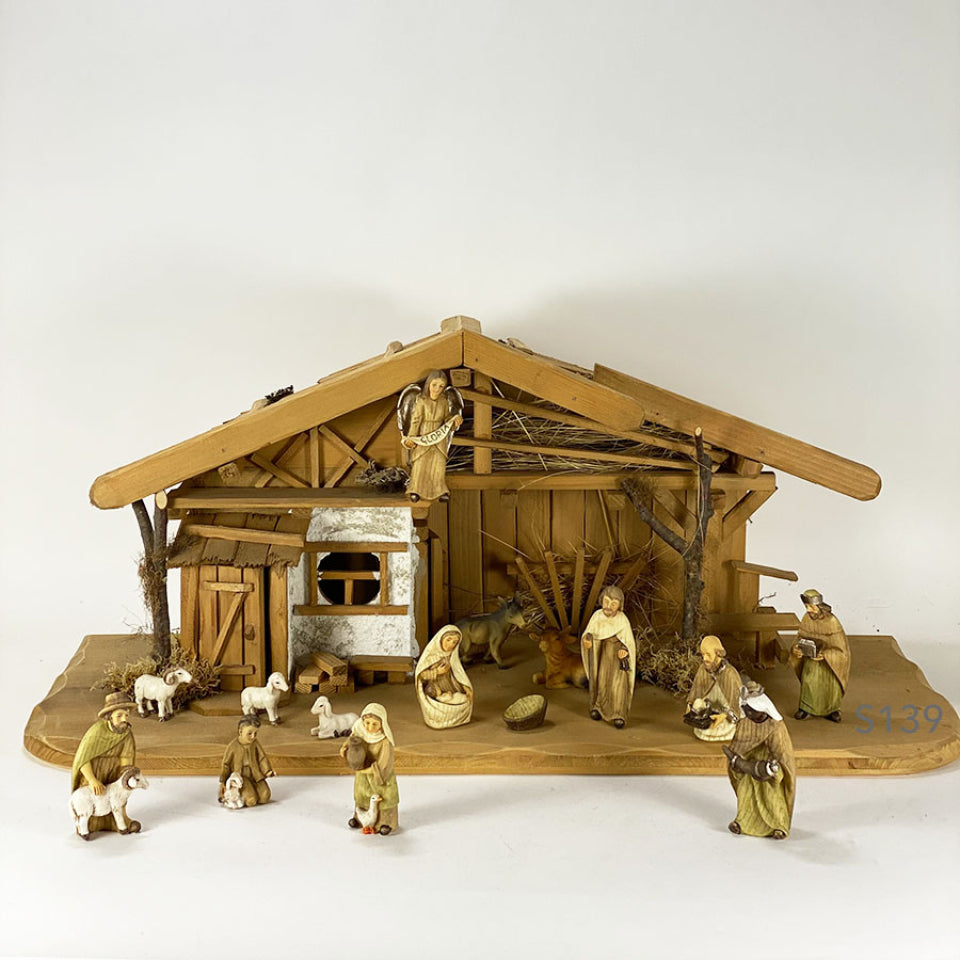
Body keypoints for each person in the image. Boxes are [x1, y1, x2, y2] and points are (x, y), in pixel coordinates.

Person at [725, 680, 796, 840]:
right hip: (747, 766)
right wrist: (739, 763)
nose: (749, 714)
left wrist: (771, 769)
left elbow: (781, 754)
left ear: (762, 708)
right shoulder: (745, 723)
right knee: (746, 794)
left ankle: (778, 826)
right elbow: (738, 746)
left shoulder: (775, 726)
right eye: (746, 710)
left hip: (767, 769)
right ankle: (742, 823)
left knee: (772, 797)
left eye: (752, 710)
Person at [71, 691, 140, 835]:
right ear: (110, 716)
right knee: (94, 798)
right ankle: (88, 825)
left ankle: (119, 822)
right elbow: (83, 759)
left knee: (117, 797)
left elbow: (126, 758)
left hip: (114, 774)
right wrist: (92, 780)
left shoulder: (126, 734)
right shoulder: (96, 732)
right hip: (94, 773)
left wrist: (124, 780)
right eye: (119, 715)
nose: (124, 719)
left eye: (126, 715)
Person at [400, 369, 463, 502]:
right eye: (434, 385)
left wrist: (454, 421)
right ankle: (415, 490)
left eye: (441, 386)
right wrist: (411, 437)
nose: (437, 389)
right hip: (424, 435)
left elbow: (446, 418)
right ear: (428, 384)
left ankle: (440, 491)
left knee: (438, 465)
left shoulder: (444, 401)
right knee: (420, 463)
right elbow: (416, 420)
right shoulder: (421, 401)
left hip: (439, 437)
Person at [790, 588, 850, 722]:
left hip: (829, 663)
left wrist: (827, 654)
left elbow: (841, 648)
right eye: (806, 606)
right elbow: (799, 638)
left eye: (811, 607)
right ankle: (806, 708)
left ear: (819, 606)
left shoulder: (832, 621)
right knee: (809, 681)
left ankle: (832, 710)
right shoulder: (807, 618)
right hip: (811, 660)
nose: (808, 610)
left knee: (831, 685)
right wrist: (796, 649)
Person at [580, 585, 636, 728]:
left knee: (618, 685)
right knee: (602, 681)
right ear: (601, 601)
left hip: (617, 658)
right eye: (606, 601)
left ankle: (618, 714)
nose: (609, 606)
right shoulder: (597, 617)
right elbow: (590, 633)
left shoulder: (622, 620)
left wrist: (624, 650)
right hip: (603, 656)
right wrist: (587, 639)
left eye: (613, 604)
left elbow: (628, 642)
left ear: (619, 605)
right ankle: (598, 707)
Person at [340, 703, 399, 835]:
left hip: (379, 777)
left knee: (384, 798)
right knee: (362, 795)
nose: (370, 727)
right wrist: (345, 747)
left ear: (382, 725)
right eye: (367, 723)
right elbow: (351, 740)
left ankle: (385, 822)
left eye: (374, 724)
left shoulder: (384, 742)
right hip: (363, 775)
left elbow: (385, 763)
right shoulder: (361, 734)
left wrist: (369, 771)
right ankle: (359, 819)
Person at [415, 625, 474, 728]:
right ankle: (439, 712)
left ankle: (452, 715)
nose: (451, 644)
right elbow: (421, 676)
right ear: (440, 640)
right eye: (448, 640)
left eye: (455, 642)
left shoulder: (452, 657)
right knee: (436, 699)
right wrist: (437, 671)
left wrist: (466, 687)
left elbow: (458, 674)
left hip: (450, 684)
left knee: (465, 699)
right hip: (435, 685)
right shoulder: (430, 656)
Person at [684, 635, 741, 741]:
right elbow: (697, 690)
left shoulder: (730, 674)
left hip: (725, 714)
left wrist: (724, 715)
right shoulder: (703, 669)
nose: (705, 659)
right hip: (708, 711)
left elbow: (736, 702)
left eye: (708, 655)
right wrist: (691, 705)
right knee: (698, 705)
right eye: (703, 654)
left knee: (722, 728)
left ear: (718, 654)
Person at [219, 716, 276, 807]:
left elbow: (262, 758)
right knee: (251, 800)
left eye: (255, 733)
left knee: (264, 797)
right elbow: (226, 764)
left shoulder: (255, 744)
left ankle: (254, 789)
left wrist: (267, 771)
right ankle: (240, 795)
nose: (253, 737)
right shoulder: (233, 746)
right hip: (241, 777)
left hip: (255, 774)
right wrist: (223, 780)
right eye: (249, 733)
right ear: (240, 732)